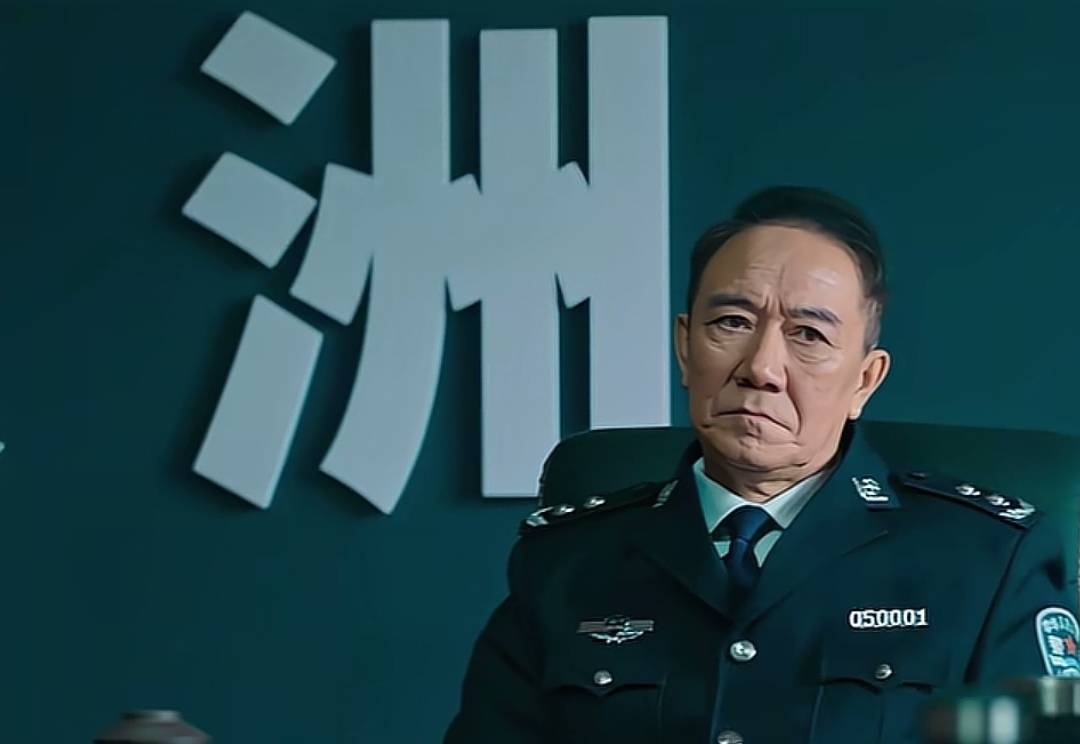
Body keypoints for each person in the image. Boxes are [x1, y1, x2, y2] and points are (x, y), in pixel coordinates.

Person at [444, 186, 1080, 744]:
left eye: (808, 334)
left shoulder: (986, 563)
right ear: (685, 348)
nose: (762, 368)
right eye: (732, 322)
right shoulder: (564, 563)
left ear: (865, 379)